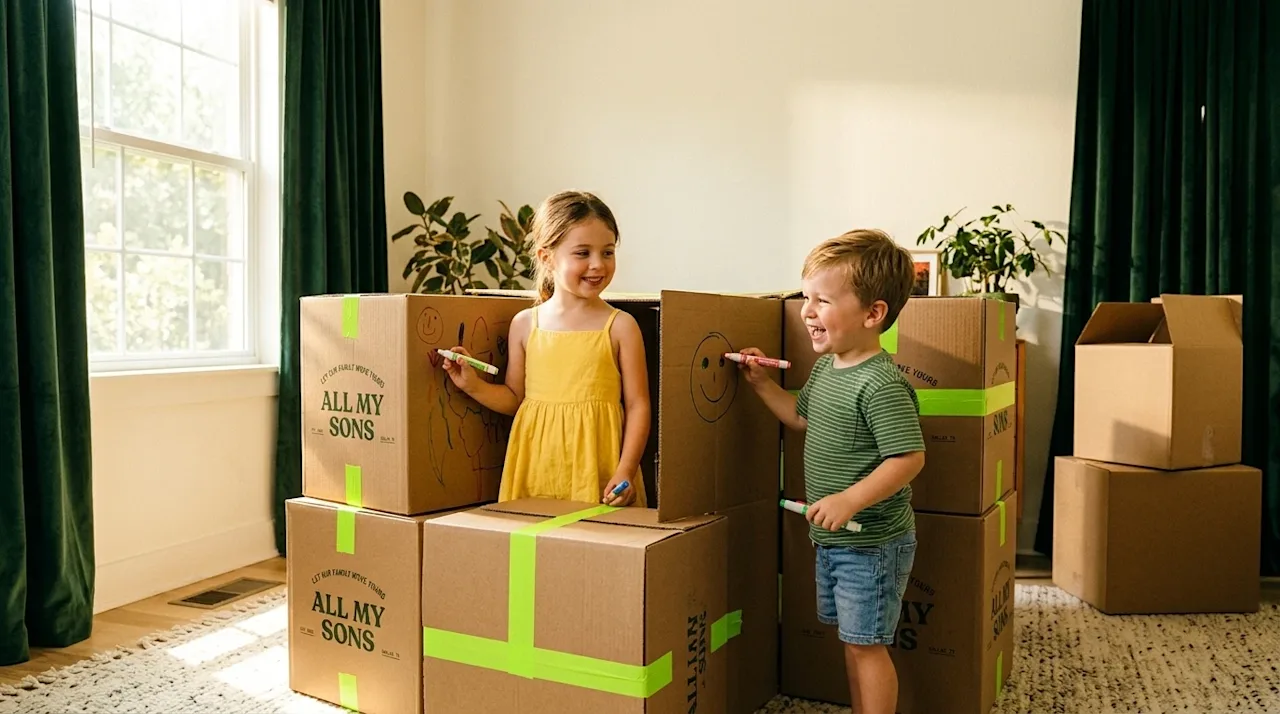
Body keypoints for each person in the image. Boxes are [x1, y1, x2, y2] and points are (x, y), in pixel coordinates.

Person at [738, 228, 925, 714]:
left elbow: (908, 459)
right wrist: (761, 384)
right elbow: (801, 416)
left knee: (867, 645)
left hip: (872, 544)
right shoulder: (828, 368)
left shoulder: (881, 383)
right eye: (806, 297)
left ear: (873, 314)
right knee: (853, 640)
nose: (806, 310)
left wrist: (849, 499)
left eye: (822, 300)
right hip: (836, 541)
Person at [438, 190, 648, 508]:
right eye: (582, 253)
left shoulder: (621, 326)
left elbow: (638, 406)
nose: (597, 265)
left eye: (607, 252)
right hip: (536, 466)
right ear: (546, 257)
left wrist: (626, 469)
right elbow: (515, 398)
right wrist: (472, 384)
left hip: (600, 470)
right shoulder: (525, 324)